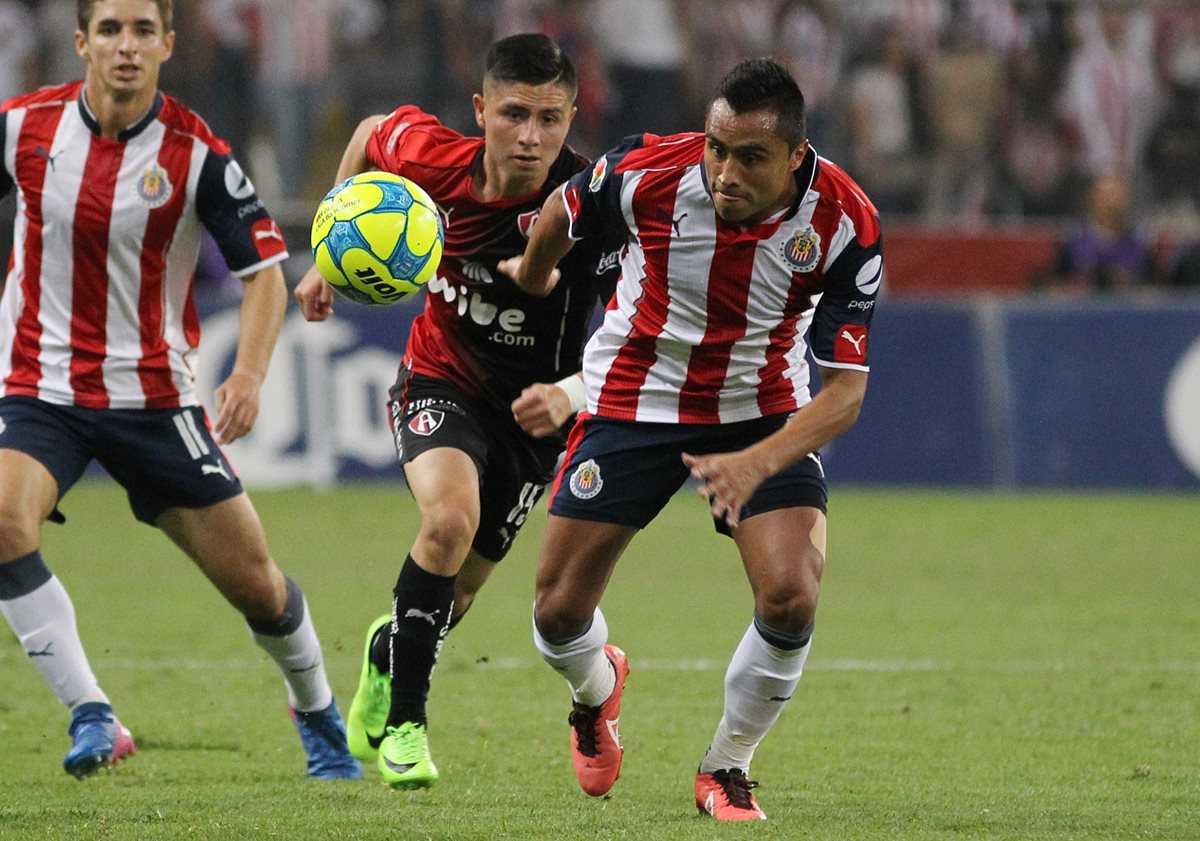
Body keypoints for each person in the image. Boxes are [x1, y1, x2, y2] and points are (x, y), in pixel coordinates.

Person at [501, 57, 882, 820]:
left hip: (762, 410)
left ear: (795, 158)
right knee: (556, 613)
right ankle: (597, 688)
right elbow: (563, 214)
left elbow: (844, 394)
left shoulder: (845, 221)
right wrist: (536, 274)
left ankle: (727, 766)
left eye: (750, 157)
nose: (724, 171)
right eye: (716, 147)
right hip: (635, 400)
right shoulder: (647, 172)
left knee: (792, 594)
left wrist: (759, 462)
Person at [0, 0, 360, 780]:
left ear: (167, 43)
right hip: (39, 386)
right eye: (109, 30)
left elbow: (267, 273)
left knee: (257, 586)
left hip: (155, 401)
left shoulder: (198, 156)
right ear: (80, 43)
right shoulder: (23, 128)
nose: (124, 47)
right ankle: (93, 711)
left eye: (140, 31)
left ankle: (318, 709)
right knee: (1, 520)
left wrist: (251, 373)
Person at [293, 33, 619, 789]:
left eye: (549, 117)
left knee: (458, 591)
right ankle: (407, 728)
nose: (531, 136)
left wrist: (578, 390)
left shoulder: (593, 202)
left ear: (572, 116)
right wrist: (325, 256)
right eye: (513, 114)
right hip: (440, 375)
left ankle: (385, 655)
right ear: (481, 110)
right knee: (446, 522)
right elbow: (370, 133)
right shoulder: (430, 158)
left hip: (537, 415)